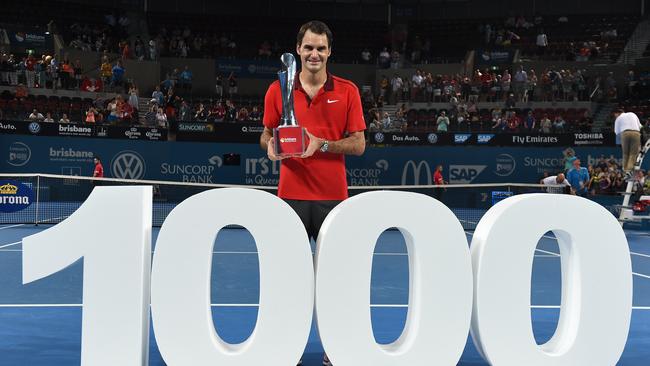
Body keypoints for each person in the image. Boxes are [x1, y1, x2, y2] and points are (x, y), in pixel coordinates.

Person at [259, 20, 366, 366]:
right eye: (308, 47)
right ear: (299, 49)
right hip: (289, 198)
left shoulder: (347, 90)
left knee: (335, 282)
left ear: (330, 51)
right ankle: (284, 349)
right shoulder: (279, 89)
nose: (314, 54)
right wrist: (271, 146)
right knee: (287, 280)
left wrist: (323, 146)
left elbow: (359, 144)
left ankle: (334, 351)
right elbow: (265, 134)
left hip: (333, 200)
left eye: (321, 48)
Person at [613, 109, 642, 176]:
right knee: (633, 153)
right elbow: (640, 126)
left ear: (618, 113)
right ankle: (628, 170)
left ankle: (626, 171)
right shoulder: (632, 114)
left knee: (626, 153)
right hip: (636, 133)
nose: (615, 117)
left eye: (615, 115)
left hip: (625, 133)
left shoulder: (618, 118)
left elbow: (616, 132)